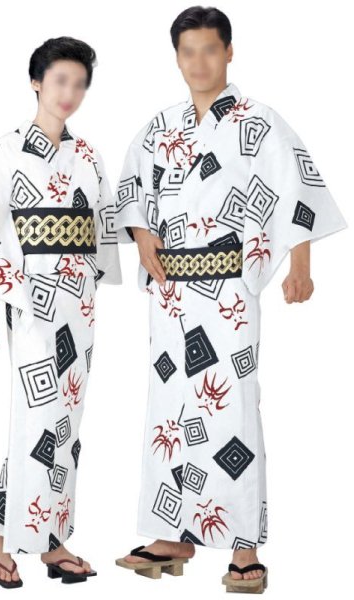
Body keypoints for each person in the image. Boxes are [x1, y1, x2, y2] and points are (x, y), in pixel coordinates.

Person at [112, 5, 348, 593]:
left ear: (229, 52)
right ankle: (172, 534)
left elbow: (297, 189)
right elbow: (132, 187)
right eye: (188, 51)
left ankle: (244, 546)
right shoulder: (160, 126)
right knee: (169, 413)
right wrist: (141, 234)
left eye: (210, 50)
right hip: (170, 293)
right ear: (177, 58)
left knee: (232, 412)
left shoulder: (259, 123)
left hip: (227, 293)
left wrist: (301, 266)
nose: (199, 62)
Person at [0, 36, 122, 588]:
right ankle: (3, 535)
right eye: (60, 80)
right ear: (36, 82)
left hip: (79, 302)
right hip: (31, 300)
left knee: (68, 421)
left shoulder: (87, 156)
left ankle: (45, 537)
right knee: (37, 418)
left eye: (80, 84)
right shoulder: (8, 151)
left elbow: (102, 228)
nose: (70, 93)